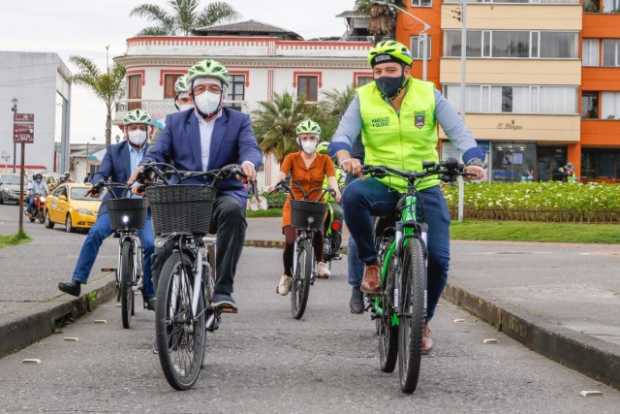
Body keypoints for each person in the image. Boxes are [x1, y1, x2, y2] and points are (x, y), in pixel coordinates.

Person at [329, 40, 486, 352]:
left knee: (439, 260)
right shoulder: (363, 97)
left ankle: (423, 321)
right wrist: (347, 157)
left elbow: (460, 132)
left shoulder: (428, 93)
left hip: (425, 183)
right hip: (383, 180)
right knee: (351, 197)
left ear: (406, 70)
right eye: (377, 71)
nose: (383, 76)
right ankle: (371, 265)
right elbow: (342, 135)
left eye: (390, 70)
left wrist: (473, 160)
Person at [129, 59, 262, 313]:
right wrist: (145, 167)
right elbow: (157, 153)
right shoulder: (175, 122)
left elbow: (250, 148)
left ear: (223, 93)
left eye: (213, 88)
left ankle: (223, 290)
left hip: (222, 191)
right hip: (183, 196)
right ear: (191, 93)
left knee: (234, 213)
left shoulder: (239, 121)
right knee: (164, 250)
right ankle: (164, 313)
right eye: (200, 89)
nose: (206, 94)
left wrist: (247, 163)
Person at [58, 109, 157, 310]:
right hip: (115, 205)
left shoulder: (155, 153)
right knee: (95, 233)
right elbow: (101, 173)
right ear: (125, 130)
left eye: (141, 128)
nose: (137, 131)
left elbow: (164, 173)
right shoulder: (114, 151)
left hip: (143, 207)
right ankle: (77, 281)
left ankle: (149, 292)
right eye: (133, 128)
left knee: (150, 246)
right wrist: (98, 183)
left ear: (149, 131)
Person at [273, 120, 342, 296]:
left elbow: (332, 179)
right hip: (294, 203)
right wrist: (275, 184)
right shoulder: (291, 158)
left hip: (316, 202)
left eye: (312, 137)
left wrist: (335, 190)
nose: (308, 141)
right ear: (299, 140)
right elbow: (282, 175)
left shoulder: (325, 160)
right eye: (305, 138)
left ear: (317, 140)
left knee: (319, 231)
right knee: (289, 241)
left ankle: (320, 263)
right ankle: (287, 275)